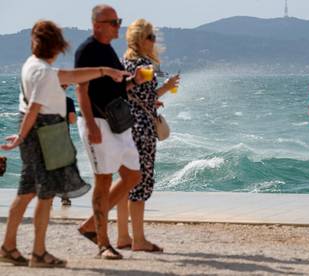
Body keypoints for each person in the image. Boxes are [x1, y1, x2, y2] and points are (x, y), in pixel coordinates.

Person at [0, 20, 127, 268]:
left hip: (39, 133)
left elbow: (67, 76)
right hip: (45, 135)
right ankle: (38, 253)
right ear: (57, 46)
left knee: (26, 193)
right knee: (45, 196)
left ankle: (8, 246)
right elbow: (35, 107)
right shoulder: (42, 72)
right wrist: (22, 137)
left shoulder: (33, 65)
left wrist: (105, 70)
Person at [74, 4, 147, 260]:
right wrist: (91, 125)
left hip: (118, 122)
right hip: (97, 122)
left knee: (132, 175)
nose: (118, 26)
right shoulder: (87, 50)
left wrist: (134, 81)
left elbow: (114, 87)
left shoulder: (108, 50)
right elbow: (80, 89)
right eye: (113, 22)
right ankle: (103, 243)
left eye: (118, 21)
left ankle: (90, 225)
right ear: (97, 25)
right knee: (103, 180)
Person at [119, 18, 179, 252]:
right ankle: (139, 239)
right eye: (150, 37)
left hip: (125, 126)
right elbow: (143, 93)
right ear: (140, 40)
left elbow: (137, 94)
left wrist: (164, 88)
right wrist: (158, 92)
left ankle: (123, 236)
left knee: (125, 181)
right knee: (140, 181)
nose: (154, 42)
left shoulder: (124, 62)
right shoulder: (144, 64)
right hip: (142, 129)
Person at [61, 94, 77, 207]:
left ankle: (48, 199)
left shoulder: (44, 98)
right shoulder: (68, 100)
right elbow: (72, 120)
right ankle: (65, 198)